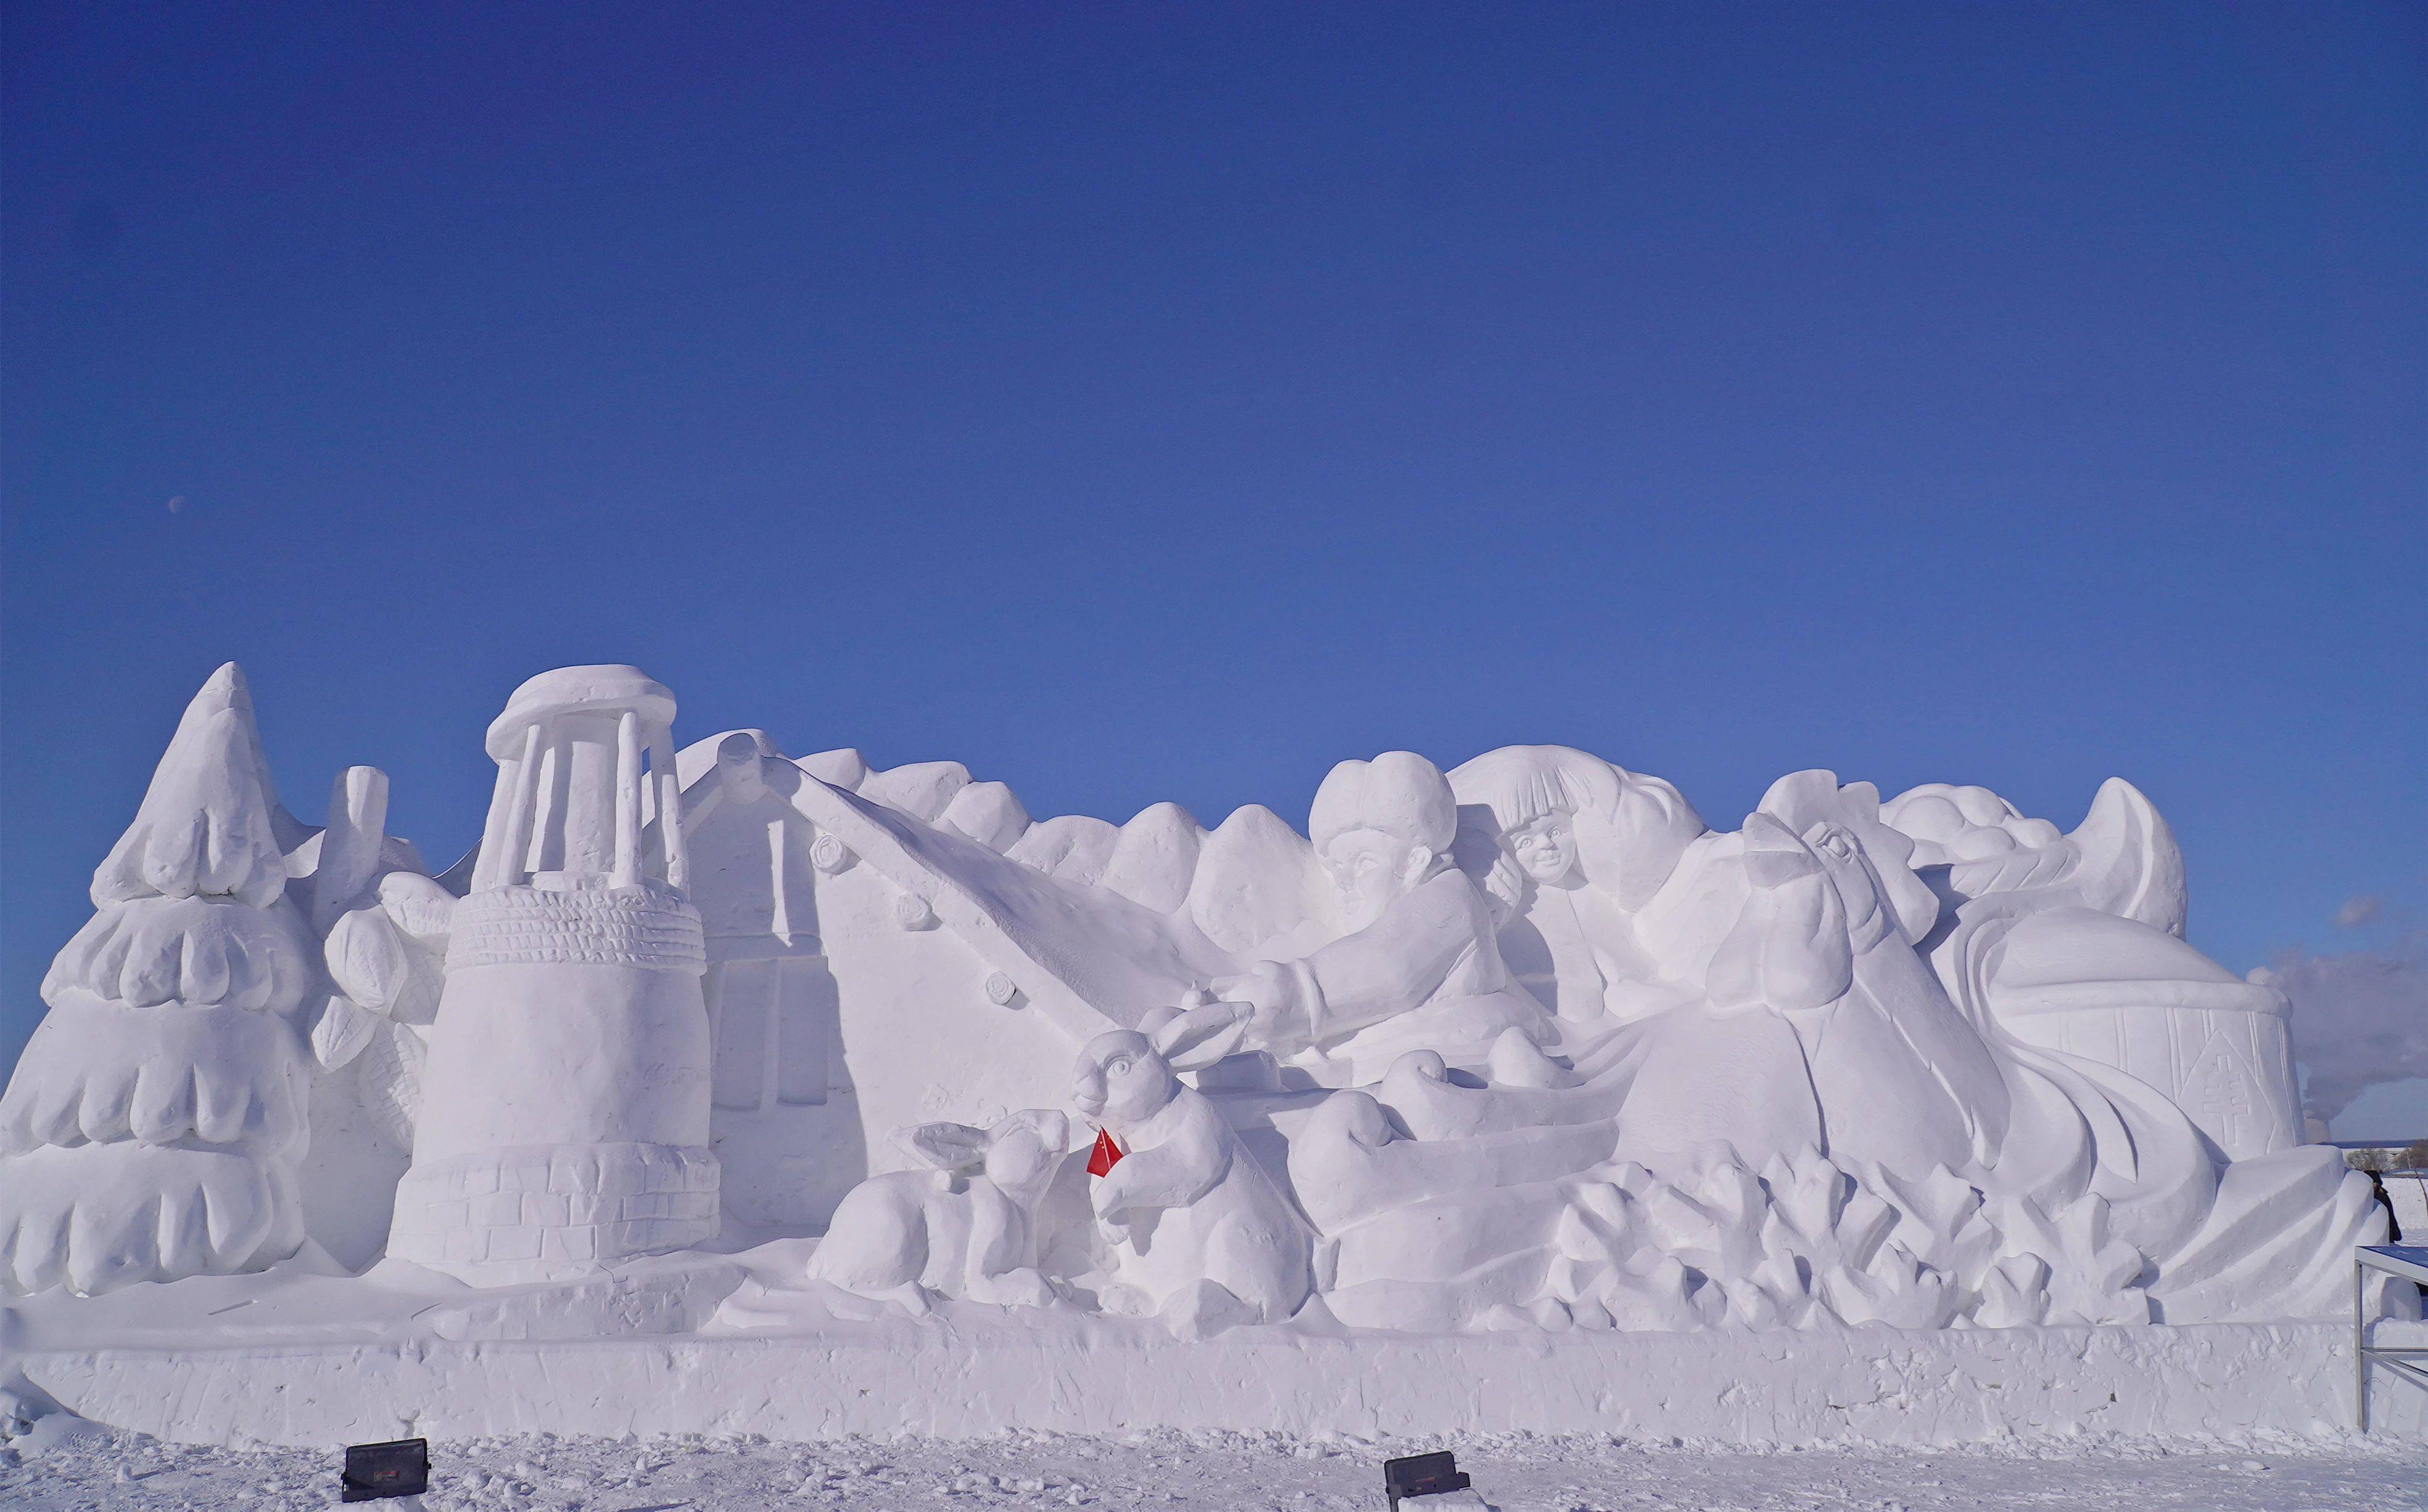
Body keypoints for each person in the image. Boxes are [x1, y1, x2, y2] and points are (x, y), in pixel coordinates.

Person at [1210, 752, 1553, 1083]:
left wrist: (1281, 993)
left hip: (1446, 1059)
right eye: (1337, 869)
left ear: (1415, 862)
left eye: (1364, 863)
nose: (1345, 884)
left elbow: (1389, 968)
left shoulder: (1448, 898)